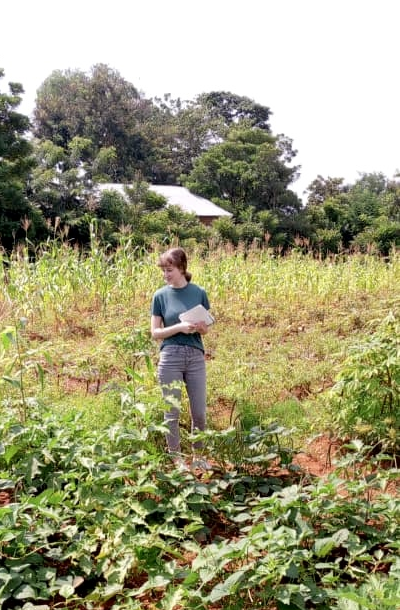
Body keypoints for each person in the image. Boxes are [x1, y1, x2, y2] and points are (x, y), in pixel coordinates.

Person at [150, 247, 212, 471]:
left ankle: (199, 456)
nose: (166, 275)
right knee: (172, 410)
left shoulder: (199, 292)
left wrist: (201, 328)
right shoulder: (160, 296)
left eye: (170, 270)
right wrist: (179, 327)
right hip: (170, 355)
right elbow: (155, 333)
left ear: (182, 268)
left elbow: (205, 329)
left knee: (199, 412)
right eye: (164, 270)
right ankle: (176, 458)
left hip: (195, 355)